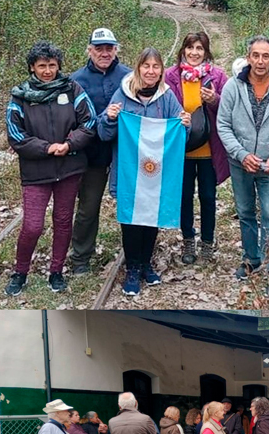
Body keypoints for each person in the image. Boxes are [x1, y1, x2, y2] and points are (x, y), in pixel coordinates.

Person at [4, 41, 96, 296]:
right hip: (36, 173)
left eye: (52, 65)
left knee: (63, 221)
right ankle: (20, 272)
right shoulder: (19, 96)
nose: (47, 70)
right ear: (32, 67)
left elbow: (89, 121)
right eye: (42, 66)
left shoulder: (73, 89)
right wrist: (47, 148)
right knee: (32, 225)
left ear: (58, 66)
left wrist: (68, 144)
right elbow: (15, 135)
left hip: (69, 168)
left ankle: (56, 271)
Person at [97, 47, 190, 296]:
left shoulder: (167, 96)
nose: (151, 71)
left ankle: (145, 262)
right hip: (129, 173)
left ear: (161, 70)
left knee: (151, 219)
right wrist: (110, 117)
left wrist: (184, 124)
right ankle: (132, 268)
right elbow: (104, 134)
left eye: (156, 67)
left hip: (155, 174)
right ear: (138, 68)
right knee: (130, 220)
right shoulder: (123, 94)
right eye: (146, 66)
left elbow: (179, 136)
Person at [217, 35, 269, 281]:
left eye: (265, 56)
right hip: (240, 163)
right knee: (246, 212)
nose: (260, 61)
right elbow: (223, 125)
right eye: (255, 55)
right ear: (248, 57)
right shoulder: (232, 86)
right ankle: (251, 258)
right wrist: (241, 154)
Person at [68, 29, 132, 275]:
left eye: (109, 48)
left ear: (116, 49)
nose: (104, 53)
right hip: (92, 156)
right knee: (88, 207)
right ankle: (81, 258)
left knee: (132, 204)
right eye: (99, 48)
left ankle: (137, 254)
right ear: (90, 50)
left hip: (125, 154)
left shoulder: (129, 76)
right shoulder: (76, 80)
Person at [164, 32, 230, 265]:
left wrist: (214, 100)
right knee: (184, 197)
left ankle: (208, 244)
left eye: (199, 48)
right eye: (190, 47)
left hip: (209, 150)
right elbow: (162, 106)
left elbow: (230, 108)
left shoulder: (218, 76)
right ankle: (188, 240)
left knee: (208, 197)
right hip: (181, 150)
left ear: (206, 52)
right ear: (183, 50)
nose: (194, 52)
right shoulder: (170, 76)